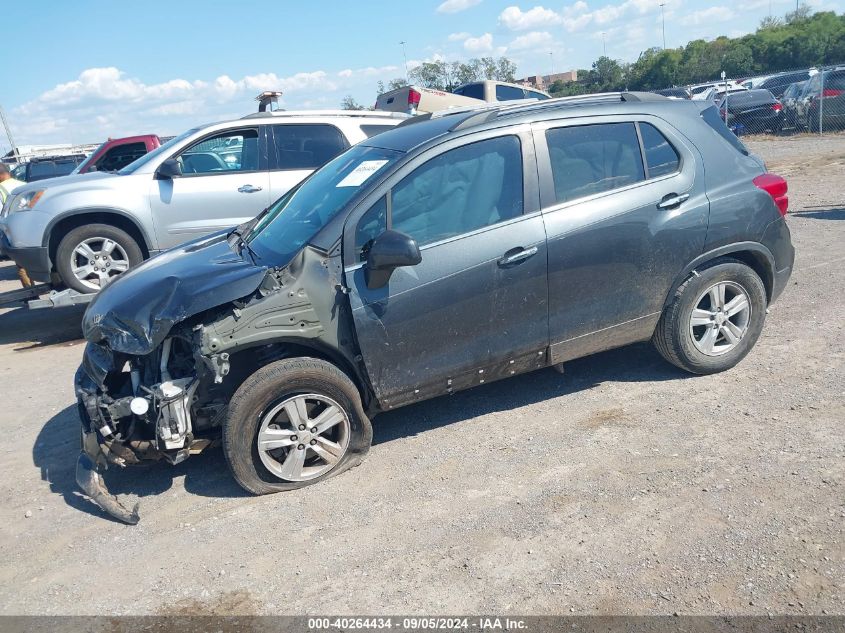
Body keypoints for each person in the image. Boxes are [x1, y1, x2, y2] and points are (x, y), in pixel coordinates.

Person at [0, 163, 32, 287]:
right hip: (33, 225)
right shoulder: (24, 185)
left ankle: (30, 291)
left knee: (21, 263)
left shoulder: (1, 189)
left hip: (15, 229)